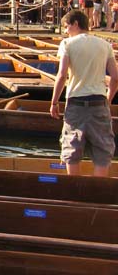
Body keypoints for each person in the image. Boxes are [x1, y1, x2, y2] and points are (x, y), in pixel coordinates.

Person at [50, 10, 117, 177]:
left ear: (75, 24)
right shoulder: (105, 45)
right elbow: (115, 78)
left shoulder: (67, 44)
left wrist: (54, 102)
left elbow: (62, 75)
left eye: (66, 27)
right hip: (99, 101)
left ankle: (74, 189)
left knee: (72, 149)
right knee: (102, 150)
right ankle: (98, 190)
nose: (66, 31)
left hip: (76, 102)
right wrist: (108, 99)